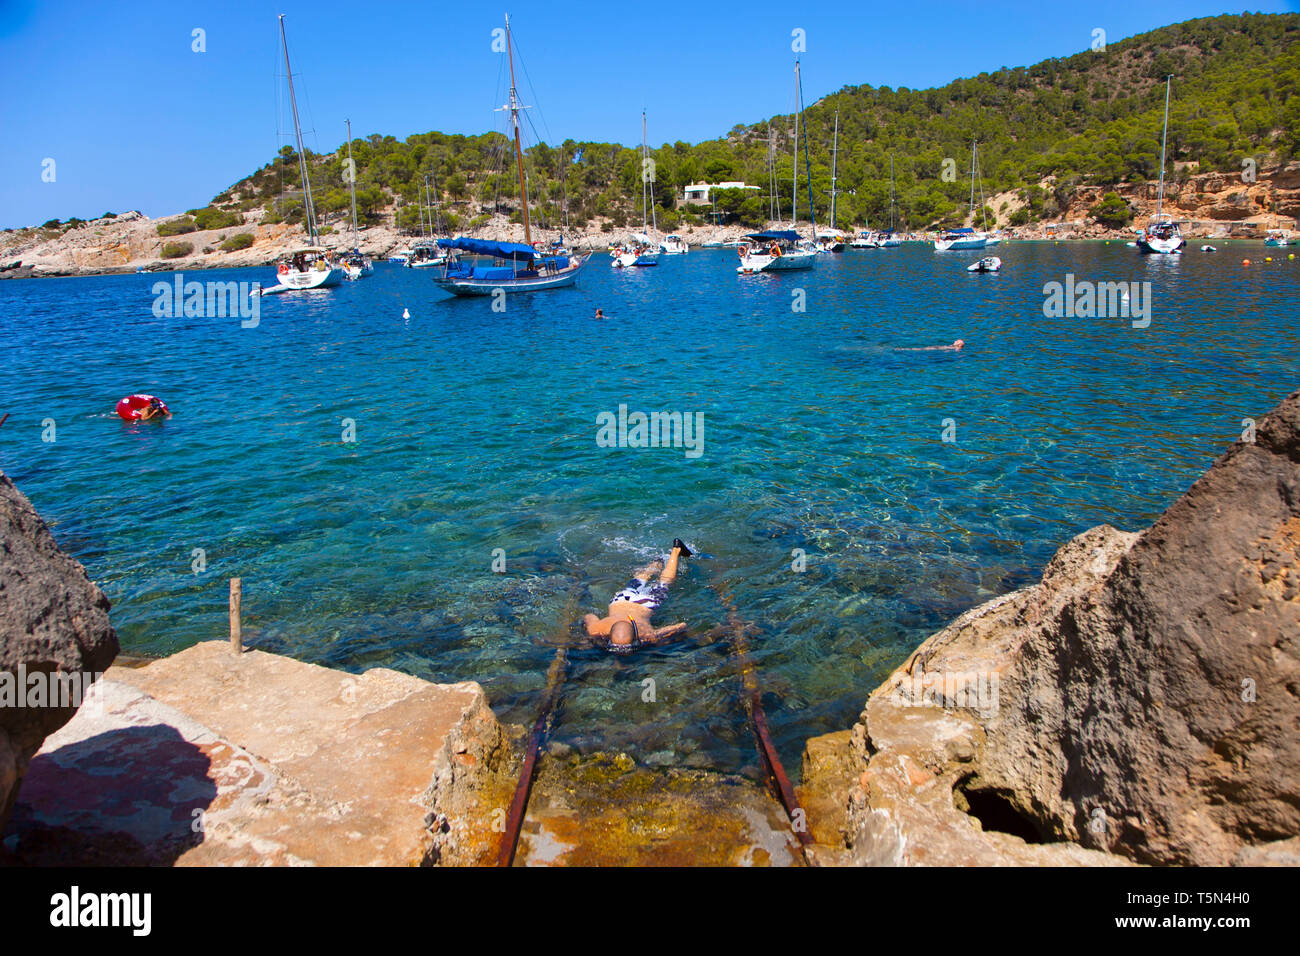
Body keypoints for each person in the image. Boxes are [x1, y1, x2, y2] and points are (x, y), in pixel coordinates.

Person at [583, 539, 693, 654]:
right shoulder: (595, 629)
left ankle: (676, 550)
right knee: (639, 580)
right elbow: (589, 616)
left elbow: (681, 625)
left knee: (664, 582)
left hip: (644, 603)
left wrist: (656, 635)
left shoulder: (645, 634)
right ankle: (658, 561)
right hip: (622, 598)